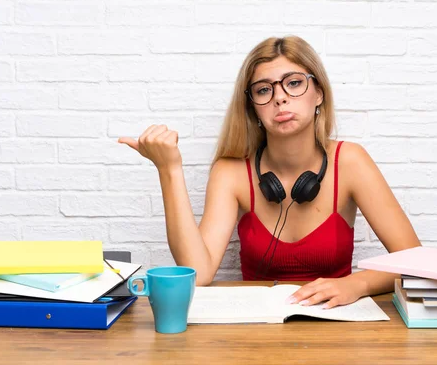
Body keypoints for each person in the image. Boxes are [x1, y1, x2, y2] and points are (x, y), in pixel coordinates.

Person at [118, 36, 421, 309]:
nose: (279, 97)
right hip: (257, 329)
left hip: (336, 323)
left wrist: (357, 284)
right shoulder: (231, 172)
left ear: (319, 94)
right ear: (253, 109)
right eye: (264, 89)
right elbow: (198, 274)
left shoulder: (351, 161)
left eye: (293, 83)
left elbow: (414, 261)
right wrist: (168, 169)